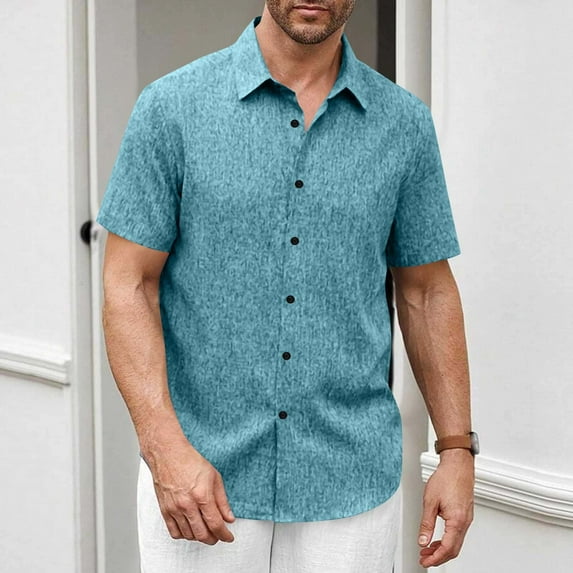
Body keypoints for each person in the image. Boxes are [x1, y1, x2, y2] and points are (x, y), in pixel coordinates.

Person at [97, 1, 476, 571]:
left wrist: (456, 449)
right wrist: (163, 447)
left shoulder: (403, 124)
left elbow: (426, 291)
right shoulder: (172, 107)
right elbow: (128, 283)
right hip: (199, 478)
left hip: (351, 479)